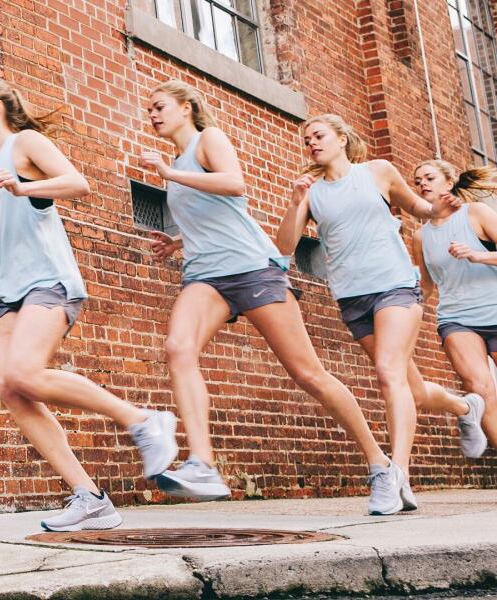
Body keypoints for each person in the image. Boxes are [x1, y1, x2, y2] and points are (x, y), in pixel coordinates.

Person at [0, 79, 177, 532]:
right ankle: (90, 498)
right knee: (12, 391)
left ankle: (143, 420)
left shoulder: (24, 144)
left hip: (48, 282)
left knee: (23, 372)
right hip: (10, 295)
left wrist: (23, 186)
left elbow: (79, 183)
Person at [139, 82, 393, 514]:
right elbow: (218, 217)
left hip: (251, 268)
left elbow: (235, 186)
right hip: (205, 274)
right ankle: (202, 463)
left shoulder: (207, 141)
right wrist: (179, 242)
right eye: (149, 110)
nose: (153, 115)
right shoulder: (181, 161)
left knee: (309, 374)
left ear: (186, 108)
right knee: (178, 348)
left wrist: (168, 174)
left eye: (160, 107)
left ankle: (381, 464)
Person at [275, 114, 464, 514]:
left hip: (395, 284)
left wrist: (439, 208)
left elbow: (418, 208)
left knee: (387, 372)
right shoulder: (311, 191)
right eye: (306, 139)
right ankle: (466, 407)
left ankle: (395, 473)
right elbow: (285, 246)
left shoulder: (377, 171)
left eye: (319, 135)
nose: (311, 143)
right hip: (352, 298)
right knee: (410, 387)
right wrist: (295, 205)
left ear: (342, 138)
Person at [410, 159, 497, 458]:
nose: (422, 184)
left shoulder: (476, 214)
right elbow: (427, 284)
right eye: (417, 181)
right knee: (480, 388)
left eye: (429, 177)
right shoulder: (420, 236)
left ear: (448, 183)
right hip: (456, 318)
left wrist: (477, 256)